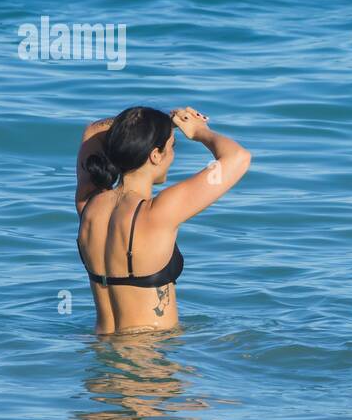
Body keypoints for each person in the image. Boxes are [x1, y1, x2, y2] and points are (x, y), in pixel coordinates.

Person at [74, 106, 251, 335]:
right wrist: (199, 131)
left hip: (100, 351)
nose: (173, 156)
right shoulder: (159, 213)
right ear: (155, 155)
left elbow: (92, 131)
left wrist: (160, 125)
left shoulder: (88, 205)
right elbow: (238, 158)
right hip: (151, 356)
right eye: (171, 147)